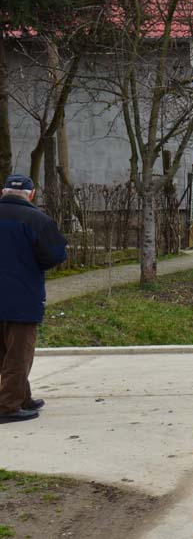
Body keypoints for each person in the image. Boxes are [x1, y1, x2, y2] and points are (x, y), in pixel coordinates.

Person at [0, 174, 68, 424]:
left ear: (3, 192)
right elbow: (55, 256)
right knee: (19, 354)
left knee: (4, 354)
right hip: (21, 298)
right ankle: (8, 407)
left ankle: (21, 397)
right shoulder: (37, 220)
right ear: (31, 194)